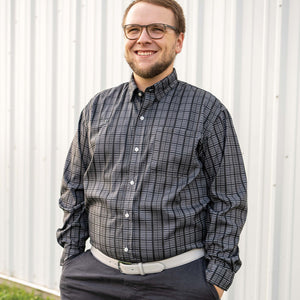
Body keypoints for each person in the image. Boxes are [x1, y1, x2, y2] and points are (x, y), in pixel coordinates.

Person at [56, 0, 247, 299]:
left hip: (178, 284)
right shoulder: (97, 107)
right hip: (93, 281)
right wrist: (72, 260)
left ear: (179, 40)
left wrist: (216, 279)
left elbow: (230, 199)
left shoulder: (207, 111)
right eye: (133, 30)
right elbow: (74, 187)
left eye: (157, 29)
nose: (143, 39)